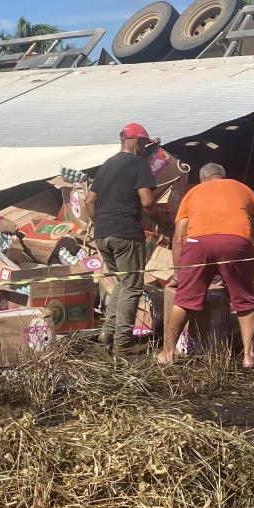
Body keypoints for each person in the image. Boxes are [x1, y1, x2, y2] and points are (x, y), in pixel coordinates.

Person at [156, 164, 254, 370]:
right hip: (236, 242)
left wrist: (179, 273)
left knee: (184, 300)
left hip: (198, 245)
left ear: (202, 179)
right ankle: (249, 356)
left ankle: (167, 353)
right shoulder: (244, 189)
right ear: (223, 177)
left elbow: (179, 238)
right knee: (245, 300)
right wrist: (240, 255)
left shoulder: (192, 193)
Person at [83, 122, 158, 355]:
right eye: (144, 143)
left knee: (123, 283)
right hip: (126, 233)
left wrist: (100, 223)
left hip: (103, 234)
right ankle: (123, 342)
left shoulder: (107, 165)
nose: (146, 148)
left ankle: (107, 332)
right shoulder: (139, 164)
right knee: (133, 286)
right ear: (135, 141)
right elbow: (146, 201)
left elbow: (89, 201)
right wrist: (160, 217)